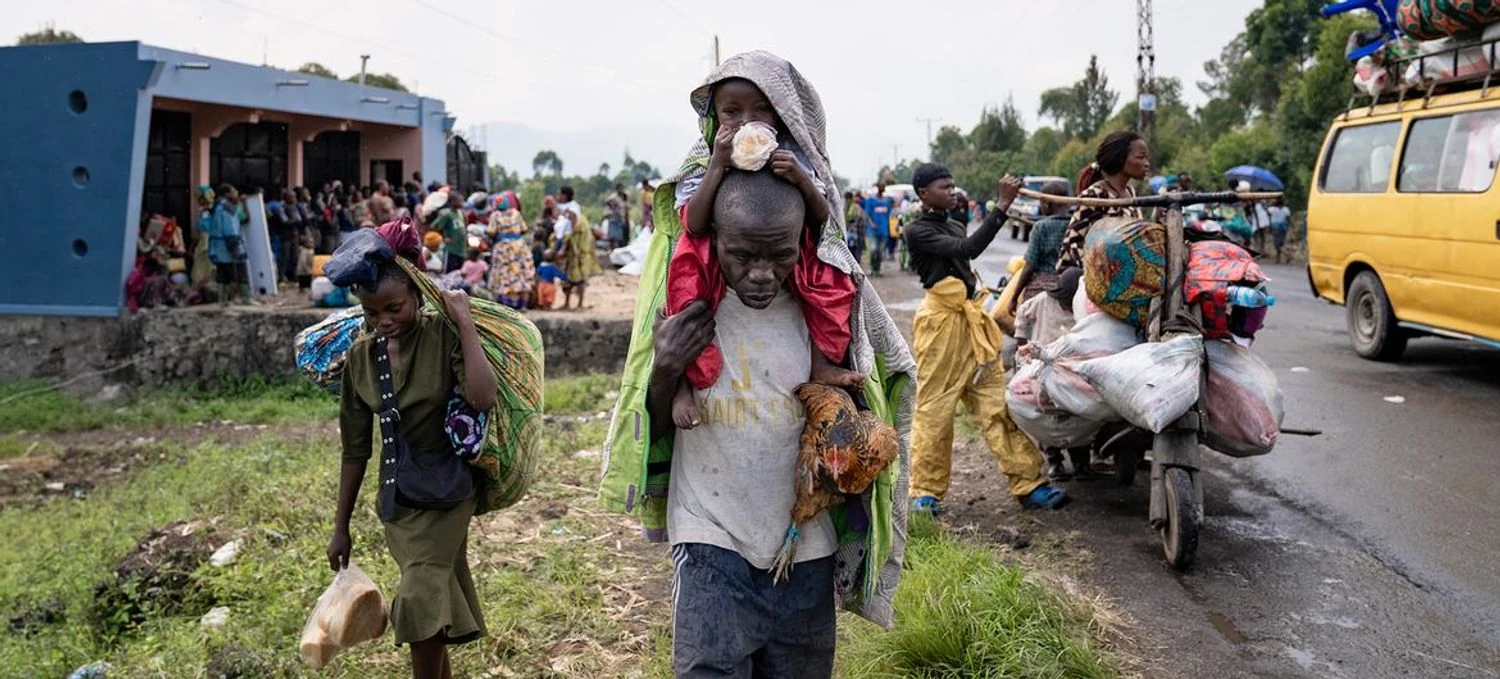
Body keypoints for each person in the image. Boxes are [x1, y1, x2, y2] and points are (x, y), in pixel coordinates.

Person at [649, 170, 840, 677]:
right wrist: (666, 368)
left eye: (779, 257)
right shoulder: (688, 308)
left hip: (805, 543)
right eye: (743, 256)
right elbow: (654, 428)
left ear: (800, 243)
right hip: (711, 533)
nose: (760, 273)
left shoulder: (821, 312)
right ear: (716, 240)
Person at [326, 236, 498, 679]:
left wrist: (464, 323)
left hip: (449, 492)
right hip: (399, 503)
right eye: (371, 313)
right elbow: (355, 449)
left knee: (419, 597)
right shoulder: (361, 358)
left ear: (418, 297)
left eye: (393, 309)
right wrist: (340, 527)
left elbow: (482, 397)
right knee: (432, 606)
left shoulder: (443, 336)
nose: (382, 321)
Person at [664, 67, 859, 430]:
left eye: (761, 110)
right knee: (683, 295)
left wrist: (800, 178)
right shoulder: (707, 156)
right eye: (732, 111)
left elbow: (822, 221)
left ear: (781, 114)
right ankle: (683, 384)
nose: (746, 122)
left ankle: (823, 363)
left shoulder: (795, 155)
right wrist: (718, 166)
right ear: (714, 116)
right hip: (714, 247)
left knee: (831, 284)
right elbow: (694, 223)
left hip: (787, 248)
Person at [904, 163, 1068, 515]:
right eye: (943, 187)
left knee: (997, 406)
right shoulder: (917, 231)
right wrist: (1002, 206)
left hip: (972, 326)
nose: (952, 191)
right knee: (936, 410)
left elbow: (965, 251)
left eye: (952, 185)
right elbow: (968, 250)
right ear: (923, 194)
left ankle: (1029, 483)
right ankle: (925, 493)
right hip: (941, 328)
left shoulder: (952, 223)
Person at [1013, 267, 1089, 481]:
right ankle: (1054, 461)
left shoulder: (1083, 307)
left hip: (1072, 366)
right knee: (1047, 414)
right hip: (1043, 365)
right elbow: (1022, 313)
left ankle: (1081, 463)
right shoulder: (1043, 301)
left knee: (1077, 413)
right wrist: (1021, 338)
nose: (1066, 304)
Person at [1057, 131, 1151, 272]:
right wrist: (1101, 270)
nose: (1146, 164)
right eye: (1141, 157)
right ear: (1121, 159)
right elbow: (1072, 244)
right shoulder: (1095, 195)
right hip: (1091, 279)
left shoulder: (1131, 193)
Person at [1006, 180, 1073, 315]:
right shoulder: (1075, 225)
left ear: (1047, 204)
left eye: (1041, 201)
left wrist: (1014, 297)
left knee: (1027, 328)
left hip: (1041, 289)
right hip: (1068, 289)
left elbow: (1030, 266)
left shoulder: (1041, 227)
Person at [206, 184, 255, 306]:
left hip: (219, 246)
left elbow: (244, 219)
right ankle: (244, 297)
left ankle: (222, 300)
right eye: (234, 192)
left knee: (223, 272)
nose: (237, 194)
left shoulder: (219, 207)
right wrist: (234, 248)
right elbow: (230, 230)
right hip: (228, 244)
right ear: (227, 194)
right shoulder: (226, 209)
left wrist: (243, 204)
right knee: (237, 270)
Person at [486, 191, 535, 309]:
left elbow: (491, 232)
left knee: (504, 274)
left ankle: (506, 305)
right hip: (519, 246)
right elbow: (524, 229)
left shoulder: (495, 215)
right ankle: (522, 304)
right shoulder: (515, 213)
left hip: (503, 248)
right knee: (522, 273)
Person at [557, 202, 600, 310]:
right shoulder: (569, 222)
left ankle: (580, 304)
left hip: (581, 256)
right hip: (571, 257)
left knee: (580, 280)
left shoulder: (581, 223)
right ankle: (567, 303)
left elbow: (578, 238)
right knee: (567, 281)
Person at [861, 185, 894, 275]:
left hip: (883, 230)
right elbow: (866, 214)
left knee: (880, 251)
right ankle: (872, 268)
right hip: (873, 231)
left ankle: (877, 269)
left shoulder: (886, 202)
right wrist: (871, 223)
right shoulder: (870, 201)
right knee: (873, 250)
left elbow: (889, 214)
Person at [844, 190, 867, 264]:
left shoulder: (854, 206)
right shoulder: (848, 207)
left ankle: (856, 262)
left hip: (857, 230)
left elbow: (858, 217)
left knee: (856, 247)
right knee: (851, 247)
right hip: (851, 231)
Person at [605, 184, 630, 249]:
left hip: (620, 219)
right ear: (617, 189)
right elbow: (607, 202)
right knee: (613, 236)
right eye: (620, 189)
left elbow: (625, 208)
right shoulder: (613, 196)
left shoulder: (622, 197)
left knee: (619, 237)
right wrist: (613, 208)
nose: (621, 190)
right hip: (613, 219)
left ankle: (617, 249)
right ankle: (612, 249)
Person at [1268, 199, 1292, 263]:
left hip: (1275, 227)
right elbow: (1288, 219)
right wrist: (1290, 226)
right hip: (1283, 227)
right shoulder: (1286, 209)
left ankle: (1286, 254)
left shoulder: (1272, 209)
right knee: (1281, 243)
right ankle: (1278, 259)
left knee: (1277, 244)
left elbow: (1268, 213)